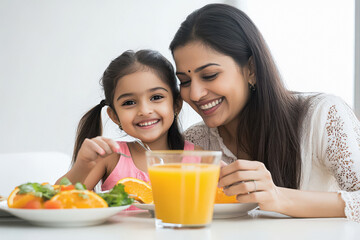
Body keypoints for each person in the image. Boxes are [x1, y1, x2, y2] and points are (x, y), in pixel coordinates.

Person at [169, 3, 360, 222]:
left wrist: (278, 197)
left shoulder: (322, 115)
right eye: (184, 81)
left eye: (210, 75)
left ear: (252, 69)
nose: (194, 93)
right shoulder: (197, 142)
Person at [56, 50, 200, 191]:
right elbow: (55, 200)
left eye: (156, 97)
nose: (144, 110)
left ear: (176, 104)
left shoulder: (202, 159)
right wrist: (82, 166)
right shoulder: (111, 157)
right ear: (114, 116)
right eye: (129, 102)